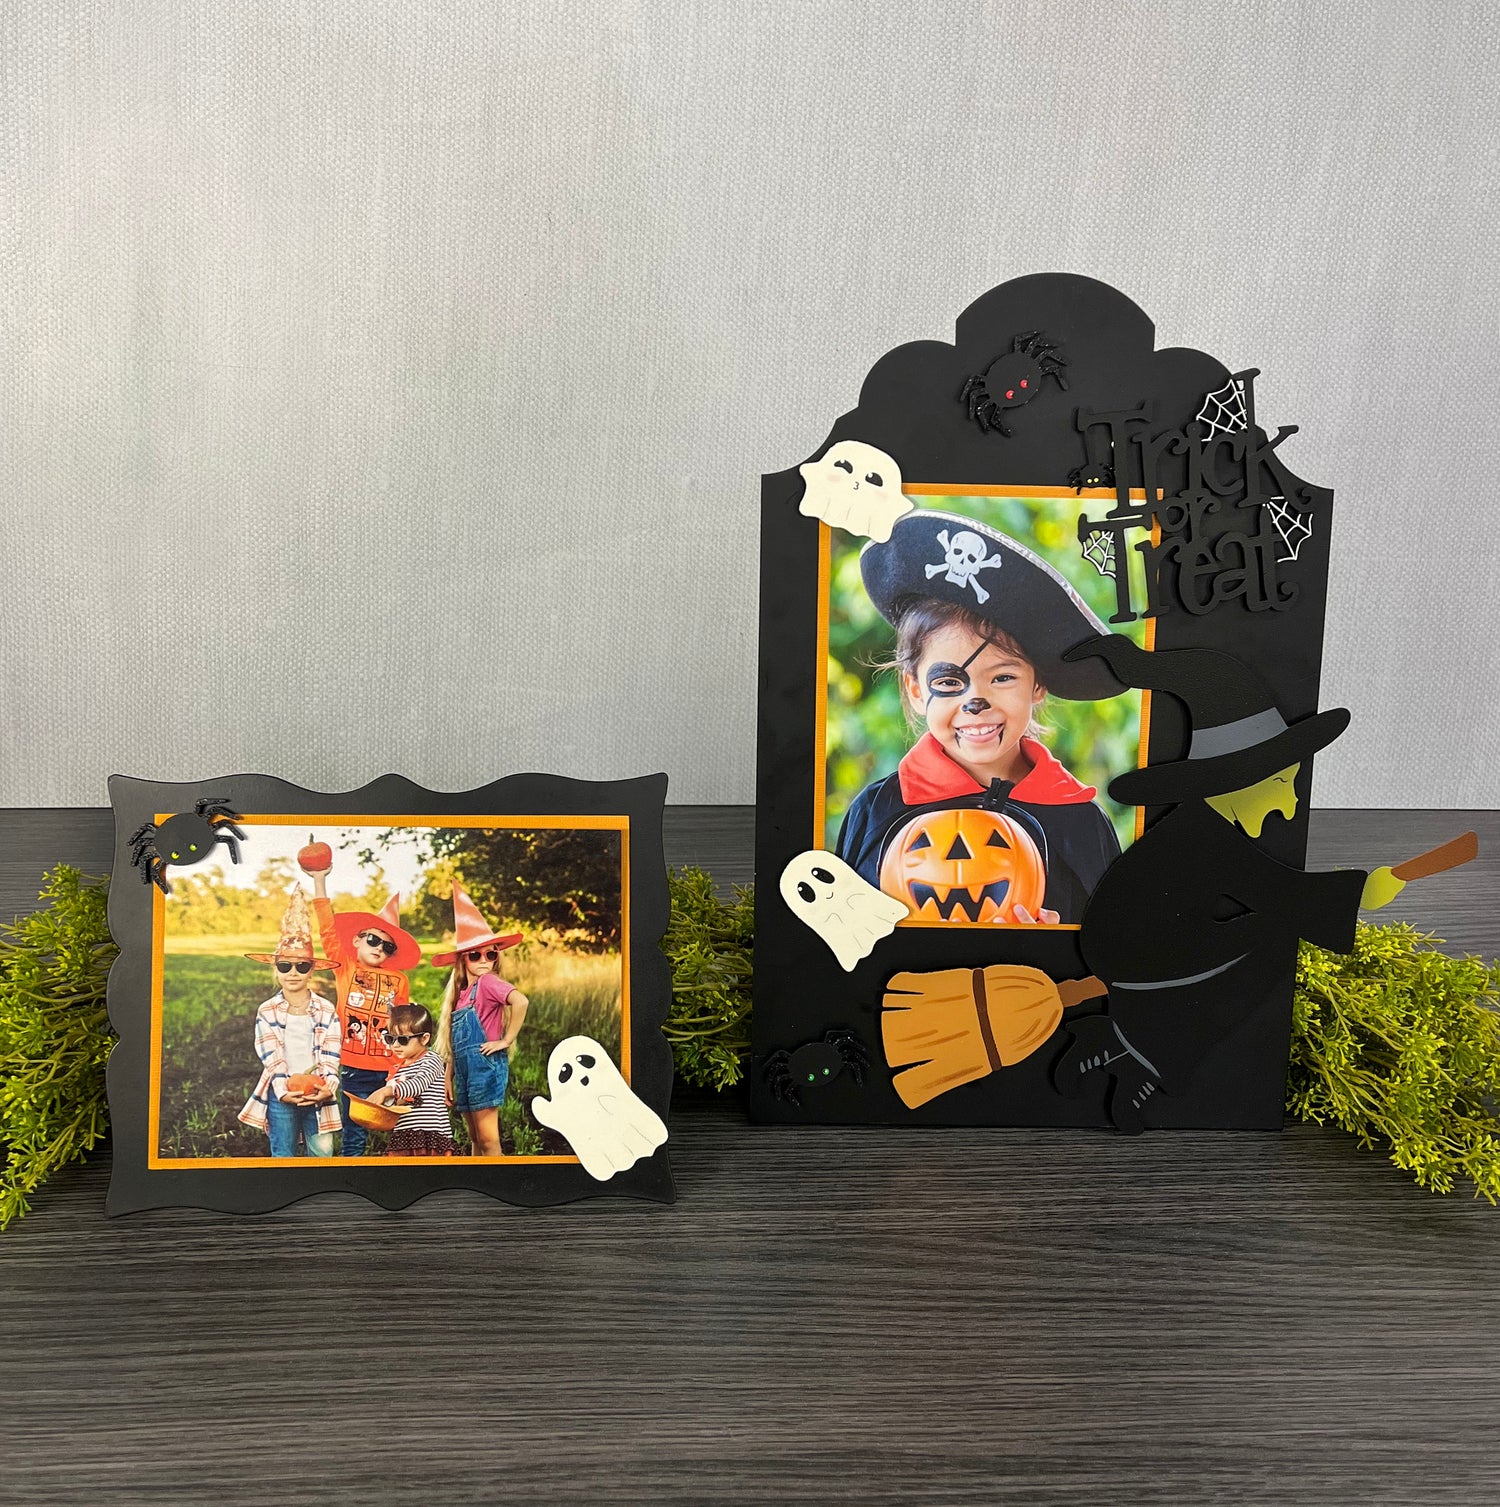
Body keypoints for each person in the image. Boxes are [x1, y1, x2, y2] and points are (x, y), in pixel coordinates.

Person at [1053, 633, 1413, 1133]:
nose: (1290, 805)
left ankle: (1120, 1045)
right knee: (1276, 937)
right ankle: (1134, 1054)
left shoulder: (1203, 828)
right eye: (1282, 783)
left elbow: (1276, 890)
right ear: (1237, 779)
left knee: (1257, 943)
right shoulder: (1206, 836)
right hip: (1129, 944)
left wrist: (1340, 896)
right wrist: (1363, 893)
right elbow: (1277, 891)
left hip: (1146, 941)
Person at [835, 510, 1128, 924]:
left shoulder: (1081, 822)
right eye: (949, 681)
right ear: (916, 690)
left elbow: (1114, 940)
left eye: (1002, 677)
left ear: (1038, 685)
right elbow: (839, 937)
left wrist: (1055, 948)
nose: (976, 702)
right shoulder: (876, 811)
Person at [301, 856, 423, 1157]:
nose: (379, 947)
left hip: (388, 1067)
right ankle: (352, 1168)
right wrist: (320, 880)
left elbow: (402, 1026)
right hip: (354, 1066)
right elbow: (327, 930)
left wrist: (403, 1066)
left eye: (387, 946)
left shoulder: (399, 979)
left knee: (398, 1125)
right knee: (355, 1129)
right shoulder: (346, 967)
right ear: (357, 941)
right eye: (373, 940)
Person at [237, 888, 342, 1156]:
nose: (293, 973)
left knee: (322, 1153)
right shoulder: (268, 1010)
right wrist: (283, 1090)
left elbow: (331, 1055)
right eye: (285, 966)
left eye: (302, 966)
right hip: (281, 1090)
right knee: (283, 1153)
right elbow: (271, 1056)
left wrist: (328, 1086)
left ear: (312, 970)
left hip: (318, 1089)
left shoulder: (325, 1009)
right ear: (276, 969)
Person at [430, 882, 530, 1157]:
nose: (484, 960)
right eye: (475, 955)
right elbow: (454, 1045)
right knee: (474, 1136)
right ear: (463, 960)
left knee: (487, 1139)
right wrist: (448, 1077)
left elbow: (521, 1001)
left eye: (491, 954)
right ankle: (477, 1174)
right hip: (464, 1071)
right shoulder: (462, 994)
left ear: (497, 957)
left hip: (484, 1068)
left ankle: (496, 1177)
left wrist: (505, 1040)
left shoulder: (488, 982)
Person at [365, 1003, 460, 1157]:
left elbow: (418, 1084)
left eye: (403, 1040)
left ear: (424, 1038)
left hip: (430, 1137)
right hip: (403, 1137)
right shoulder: (397, 1069)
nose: (395, 1045)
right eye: (390, 1038)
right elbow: (397, 1104)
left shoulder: (432, 1060)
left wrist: (387, 1091)